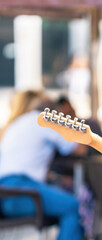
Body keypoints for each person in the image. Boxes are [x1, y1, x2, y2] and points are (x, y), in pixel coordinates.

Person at [0, 91, 87, 240]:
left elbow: (25, 161)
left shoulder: (15, 124)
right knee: (74, 207)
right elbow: (79, 148)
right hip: (22, 191)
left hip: (5, 194)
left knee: (63, 205)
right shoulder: (43, 120)